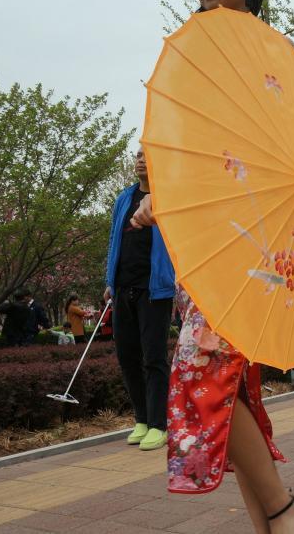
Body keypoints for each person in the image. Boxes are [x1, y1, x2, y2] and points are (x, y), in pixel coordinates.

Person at [131, 0, 294, 533]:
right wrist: (157, 183)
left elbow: (275, 149)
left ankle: (286, 513)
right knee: (230, 382)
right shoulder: (193, 55)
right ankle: (271, 520)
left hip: (251, 237)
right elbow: (189, 146)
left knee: (201, 368)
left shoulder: (268, 57)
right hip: (201, 243)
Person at [105, 147, 175, 451]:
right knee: (127, 357)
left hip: (154, 289)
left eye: (148, 155)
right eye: (137, 155)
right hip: (123, 288)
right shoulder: (124, 198)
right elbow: (114, 239)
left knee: (154, 357)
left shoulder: (166, 198)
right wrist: (110, 280)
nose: (141, 159)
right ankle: (142, 420)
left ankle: (160, 424)